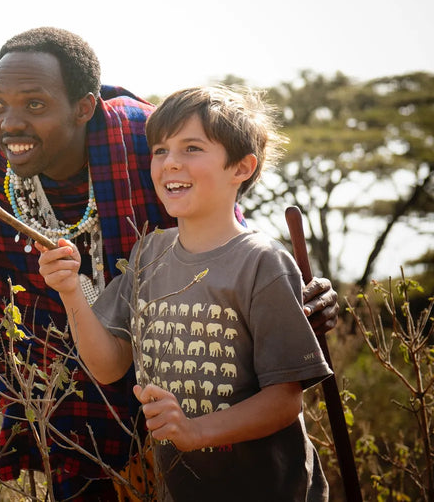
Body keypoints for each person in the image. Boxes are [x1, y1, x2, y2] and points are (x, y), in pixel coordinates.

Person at [0, 27, 338, 500]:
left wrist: (292, 296)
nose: (9, 123)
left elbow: (227, 249)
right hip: (73, 416)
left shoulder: (144, 143)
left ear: (84, 107)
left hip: (215, 416)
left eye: (34, 105)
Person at [38, 84, 332, 500]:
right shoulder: (148, 254)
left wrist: (195, 431)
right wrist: (70, 290)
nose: (170, 163)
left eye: (191, 148)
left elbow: (285, 402)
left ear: (241, 168)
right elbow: (108, 366)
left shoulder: (261, 262)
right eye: (160, 150)